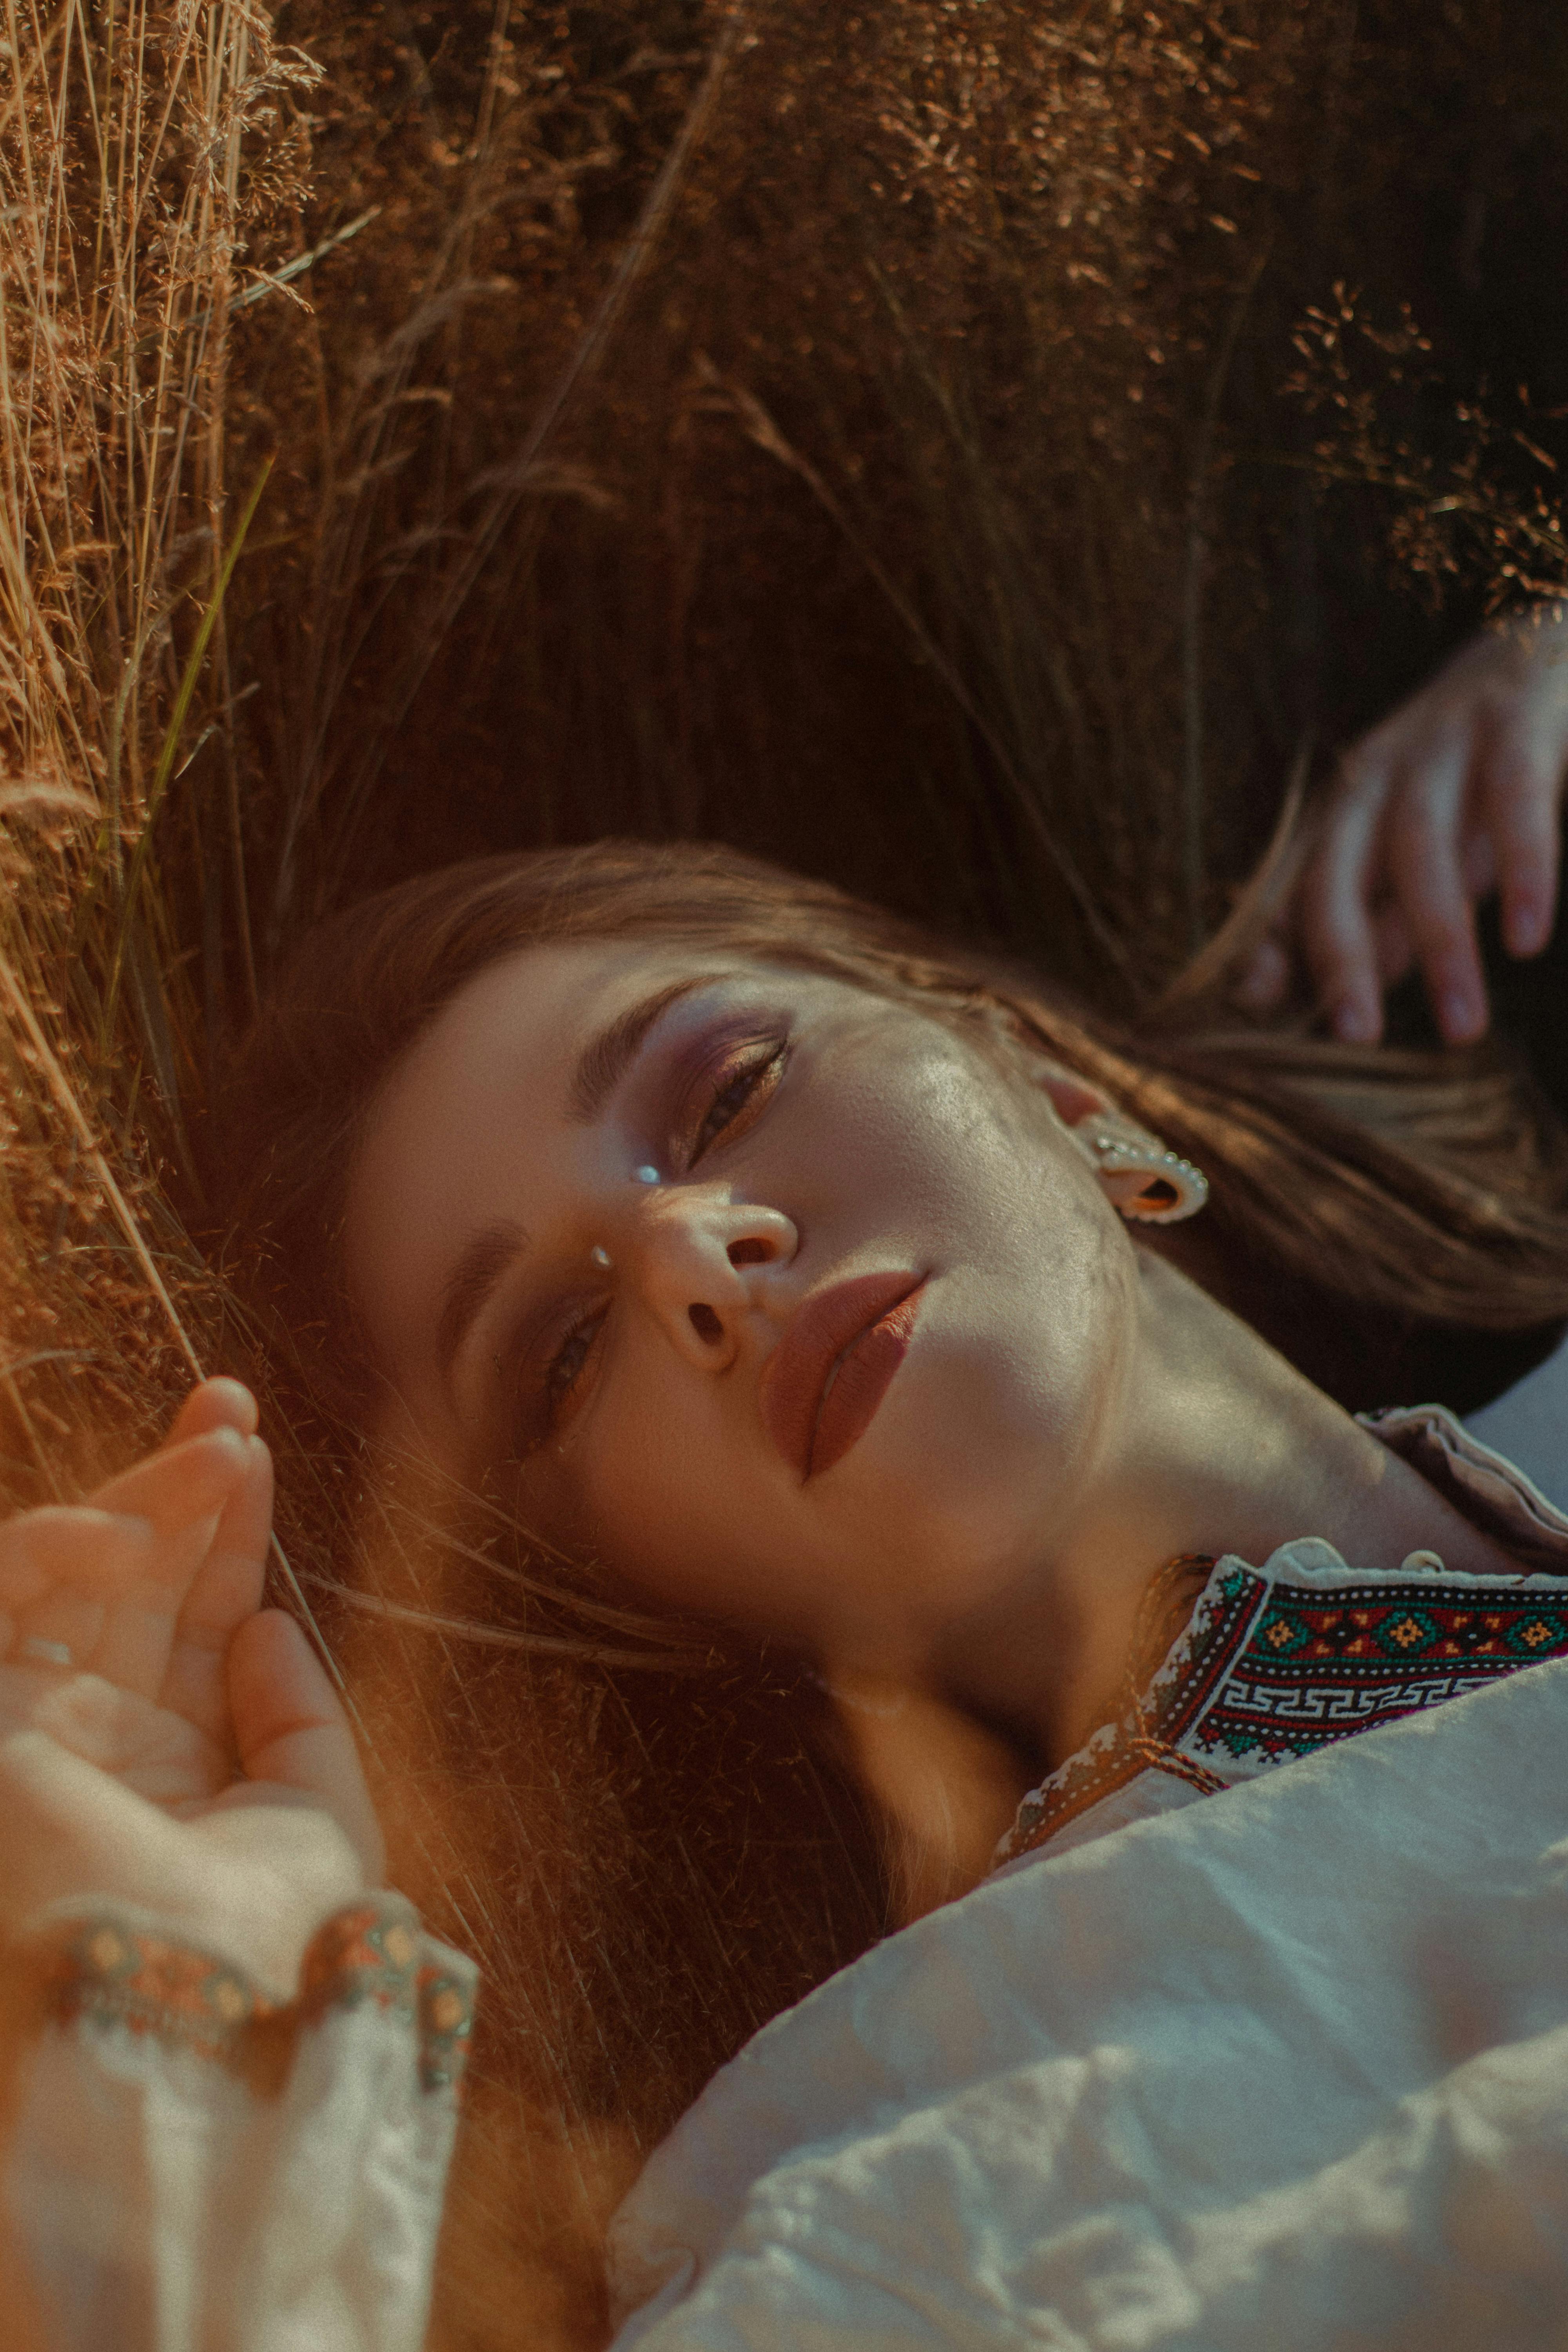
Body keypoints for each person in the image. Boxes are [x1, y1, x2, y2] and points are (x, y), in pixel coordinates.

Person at [4, 617, 1568, 2349]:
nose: (688, 1254)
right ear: (649, 1600)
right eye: (565, 1355)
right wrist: (200, 2064)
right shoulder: (911, 2135)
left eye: (728, 1086)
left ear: (1023, 1068)